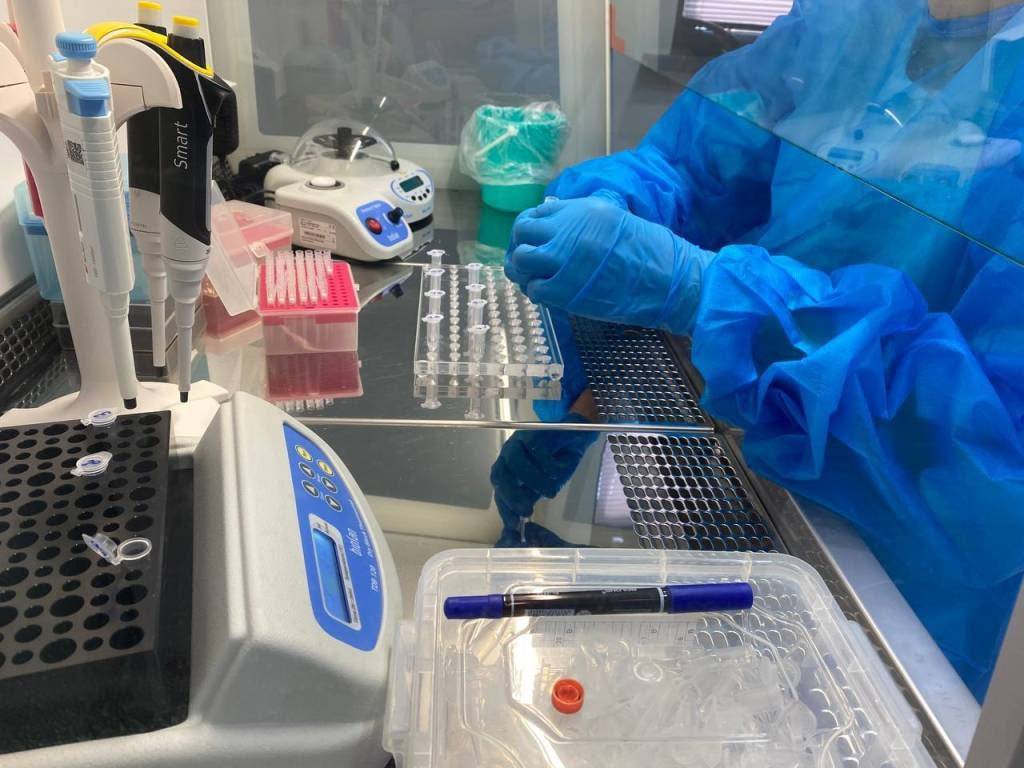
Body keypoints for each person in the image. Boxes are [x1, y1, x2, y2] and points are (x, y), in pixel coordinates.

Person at [504, 0, 1024, 699]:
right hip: (743, 463)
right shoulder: (851, 20)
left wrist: (708, 294)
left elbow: (992, 443)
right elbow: (698, 162)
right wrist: (616, 204)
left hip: (905, 592)